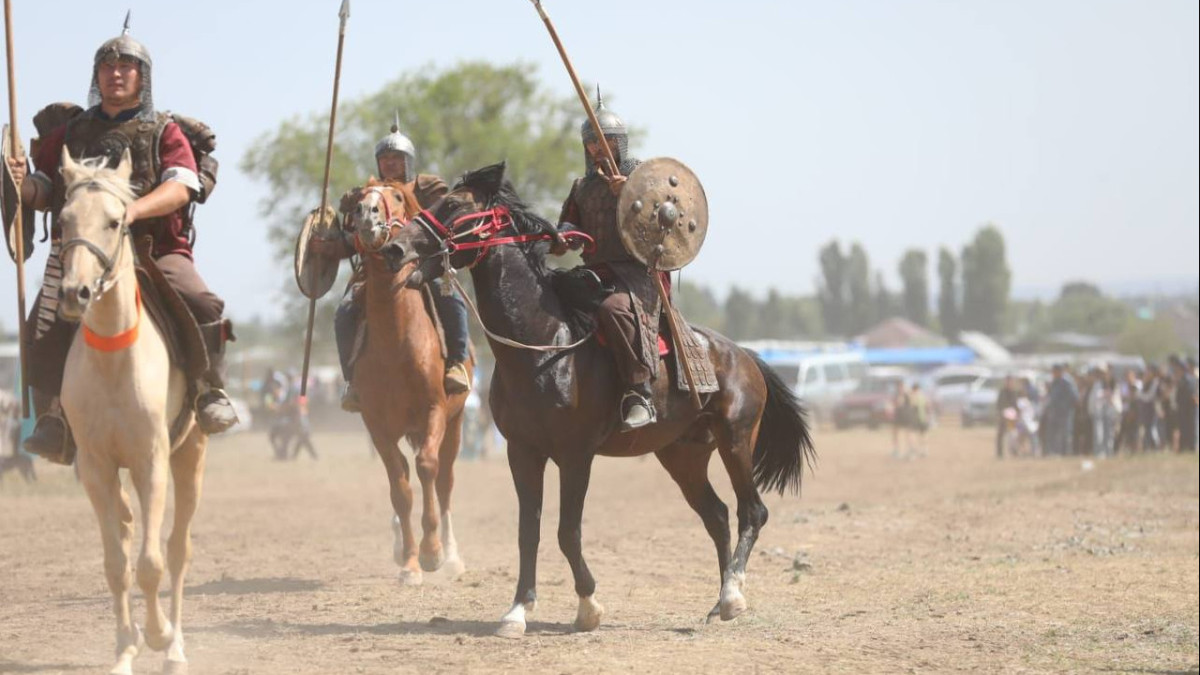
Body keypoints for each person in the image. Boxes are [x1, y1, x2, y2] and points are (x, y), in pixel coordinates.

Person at [5, 22, 236, 465]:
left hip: (153, 248)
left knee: (203, 302)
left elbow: (182, 186)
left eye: (127, 66)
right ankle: (54, 415)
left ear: (142, 77)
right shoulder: (72, 131)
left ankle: (209, 389)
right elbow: (46, 187)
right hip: (84, 252)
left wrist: (132, 211)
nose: (116, 73)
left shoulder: (164, 130)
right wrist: (21, 184)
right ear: (97, 75)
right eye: (108, 66)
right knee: (42, 321)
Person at [310, 117, 470, 412]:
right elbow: (351, 240)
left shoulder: (427, 187)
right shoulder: (369, 195)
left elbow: (443, 221)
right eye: (385, 159)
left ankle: (457, 364)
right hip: (374, 272)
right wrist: (327, 248)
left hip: (420, 265)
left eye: (396, 158)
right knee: (344, 313)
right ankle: (353, 383)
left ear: (407, 161)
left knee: (450, 297)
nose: (390, 164)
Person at [555, 90, 665, 430]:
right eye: (590, 143)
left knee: (612, 310)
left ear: (619, 142)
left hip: (635, 274)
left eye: (603, 141)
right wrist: (561, 237)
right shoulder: (581, 187)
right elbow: (569, 225)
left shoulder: (643, 178)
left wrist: (631, 196)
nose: (596, 149)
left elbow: (664, 226)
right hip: (594, 272)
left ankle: (640, 391)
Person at [1042, 364, 1079, 456]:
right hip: (1054, 412)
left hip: (1064, 413)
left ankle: (1065, 453)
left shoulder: (1066, 382)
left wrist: (1065, 407)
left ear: (1059, 372)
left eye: (1054, 372)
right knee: (1052, 434)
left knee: (1065, 434)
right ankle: (1054, 452)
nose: (1053, 374)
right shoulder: (1054, 382)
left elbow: (1074, 397)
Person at [1170, 355, 1197, 453]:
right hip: (1182, 407)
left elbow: (1189, 393)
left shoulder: (1188, 379)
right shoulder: (1181, 379)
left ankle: (1190, 447)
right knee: (1183, 427)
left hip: (1188, 408)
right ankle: (1183, 447)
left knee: (1189, 427)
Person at [995, 375, 1019, 459]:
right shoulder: (1002, 392)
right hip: (1003, 417)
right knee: (1000, 435)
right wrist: (1001, 413)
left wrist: (1016, 414)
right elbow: (999, 404)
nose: (1009, 383)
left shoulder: (1014, 392)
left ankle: (1014, 452)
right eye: (1008, 382)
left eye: (1010, 382)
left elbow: (1016, 405)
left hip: (1012, 417)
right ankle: (999, 453)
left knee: (1012, 435)